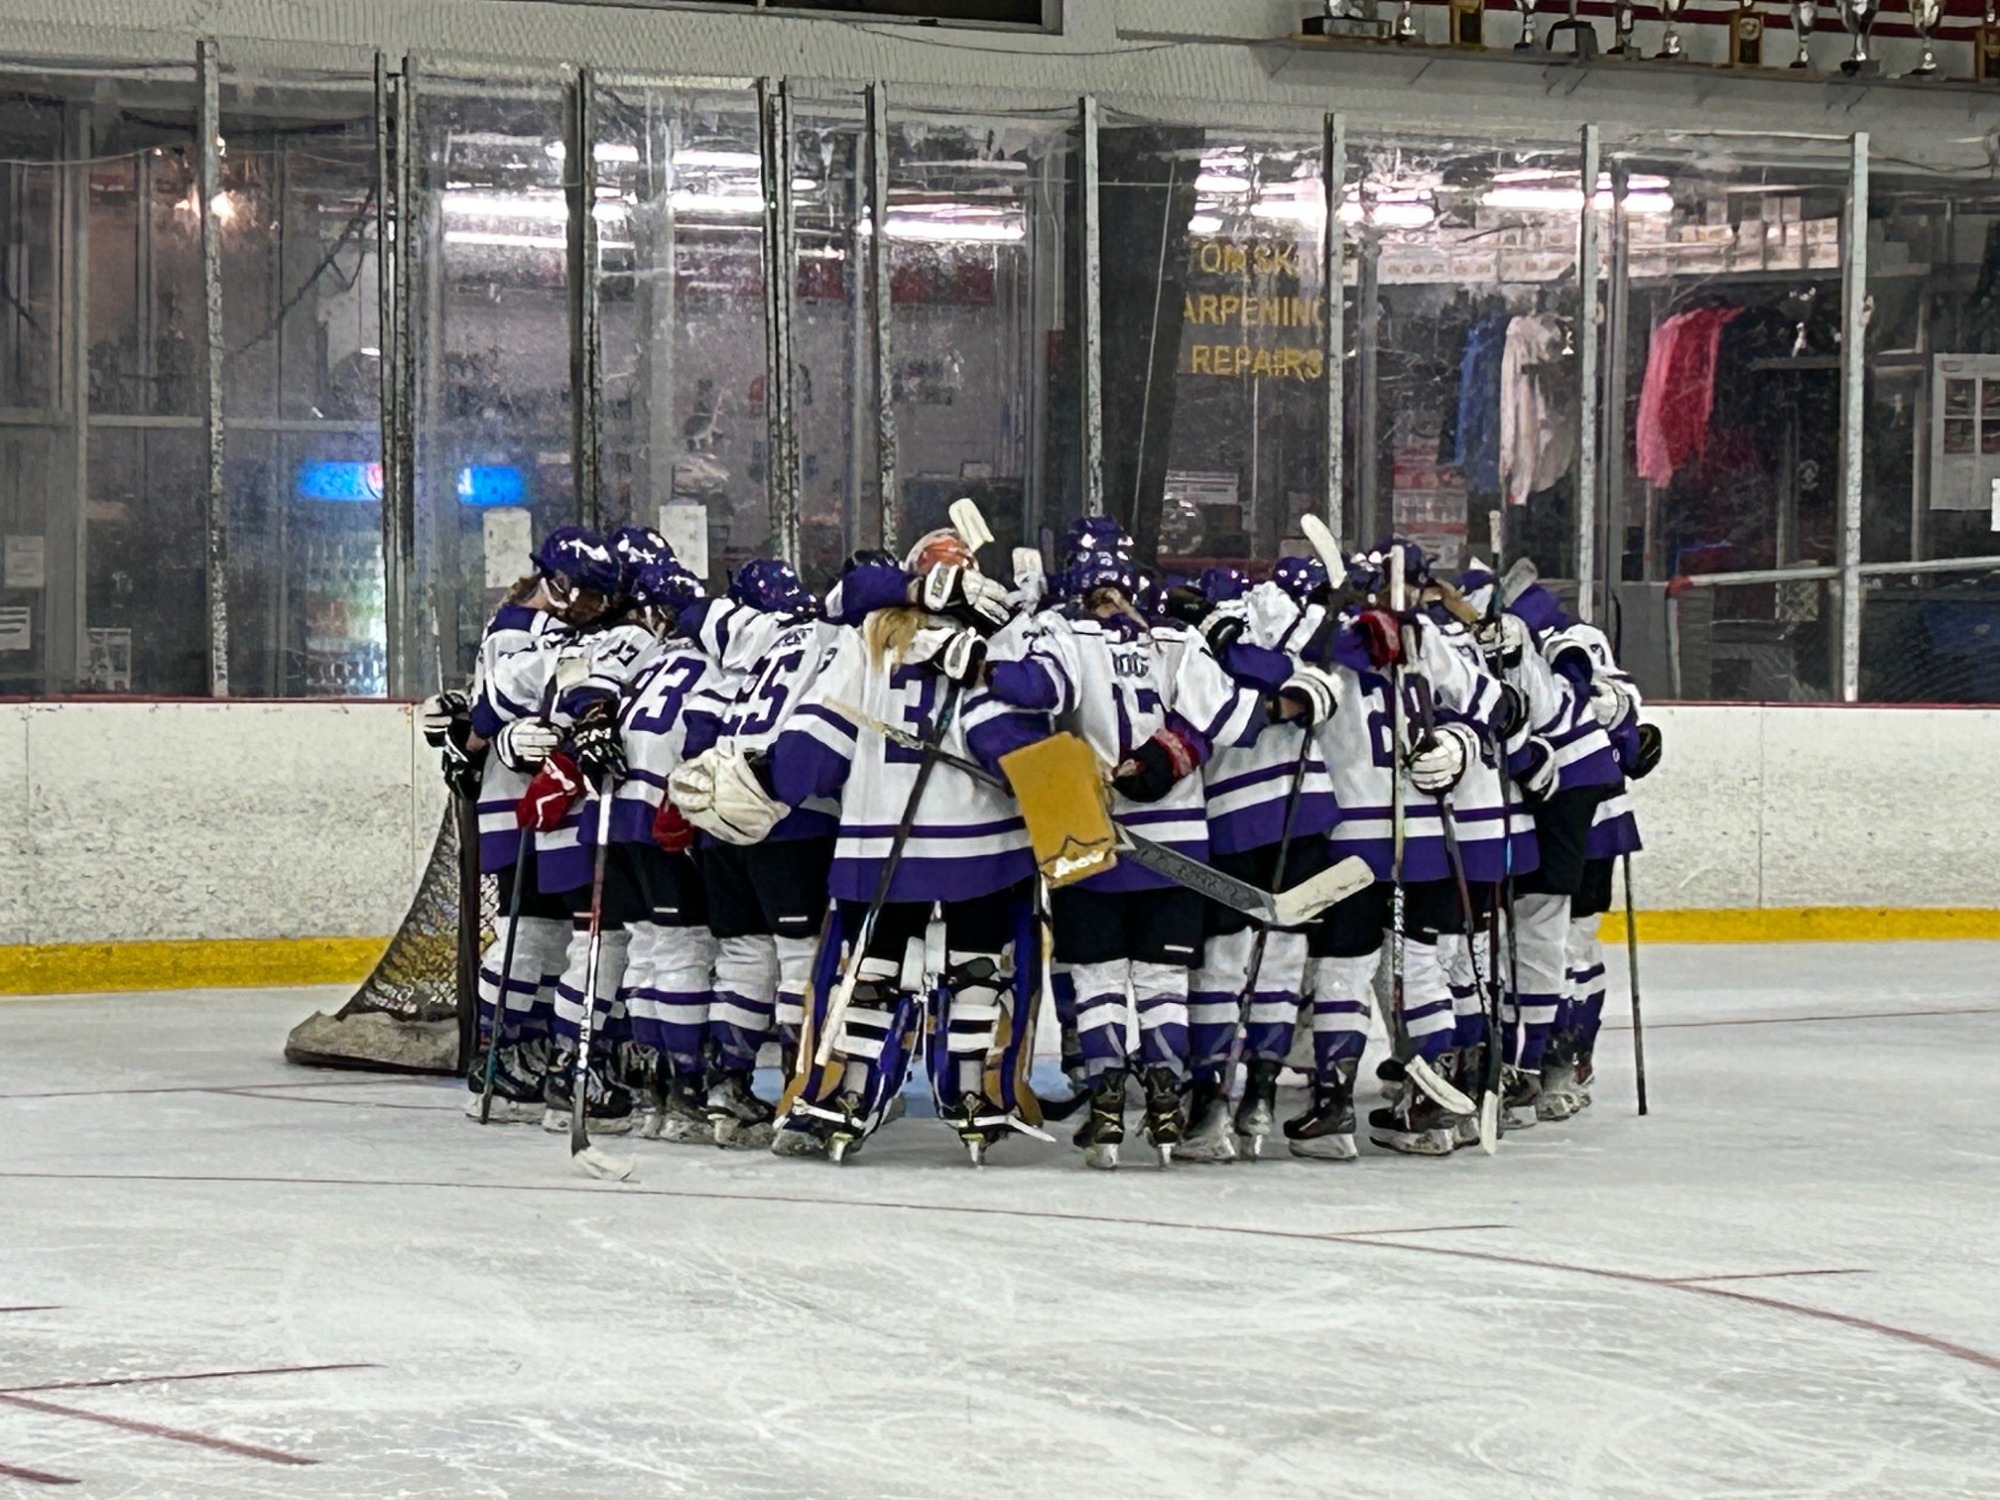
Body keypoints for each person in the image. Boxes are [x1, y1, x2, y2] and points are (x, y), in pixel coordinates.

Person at [984, 538, 1265, 1168]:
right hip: (1179, 844)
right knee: (1163, 981)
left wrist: (985, 660)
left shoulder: (1062, 631)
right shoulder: (1175, 639)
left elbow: (1035, 688)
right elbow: (1239, 721)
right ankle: (1166, 1105)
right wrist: (1176, 745)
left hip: (1088, 833)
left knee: (1099, 979)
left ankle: (1107, 1108)